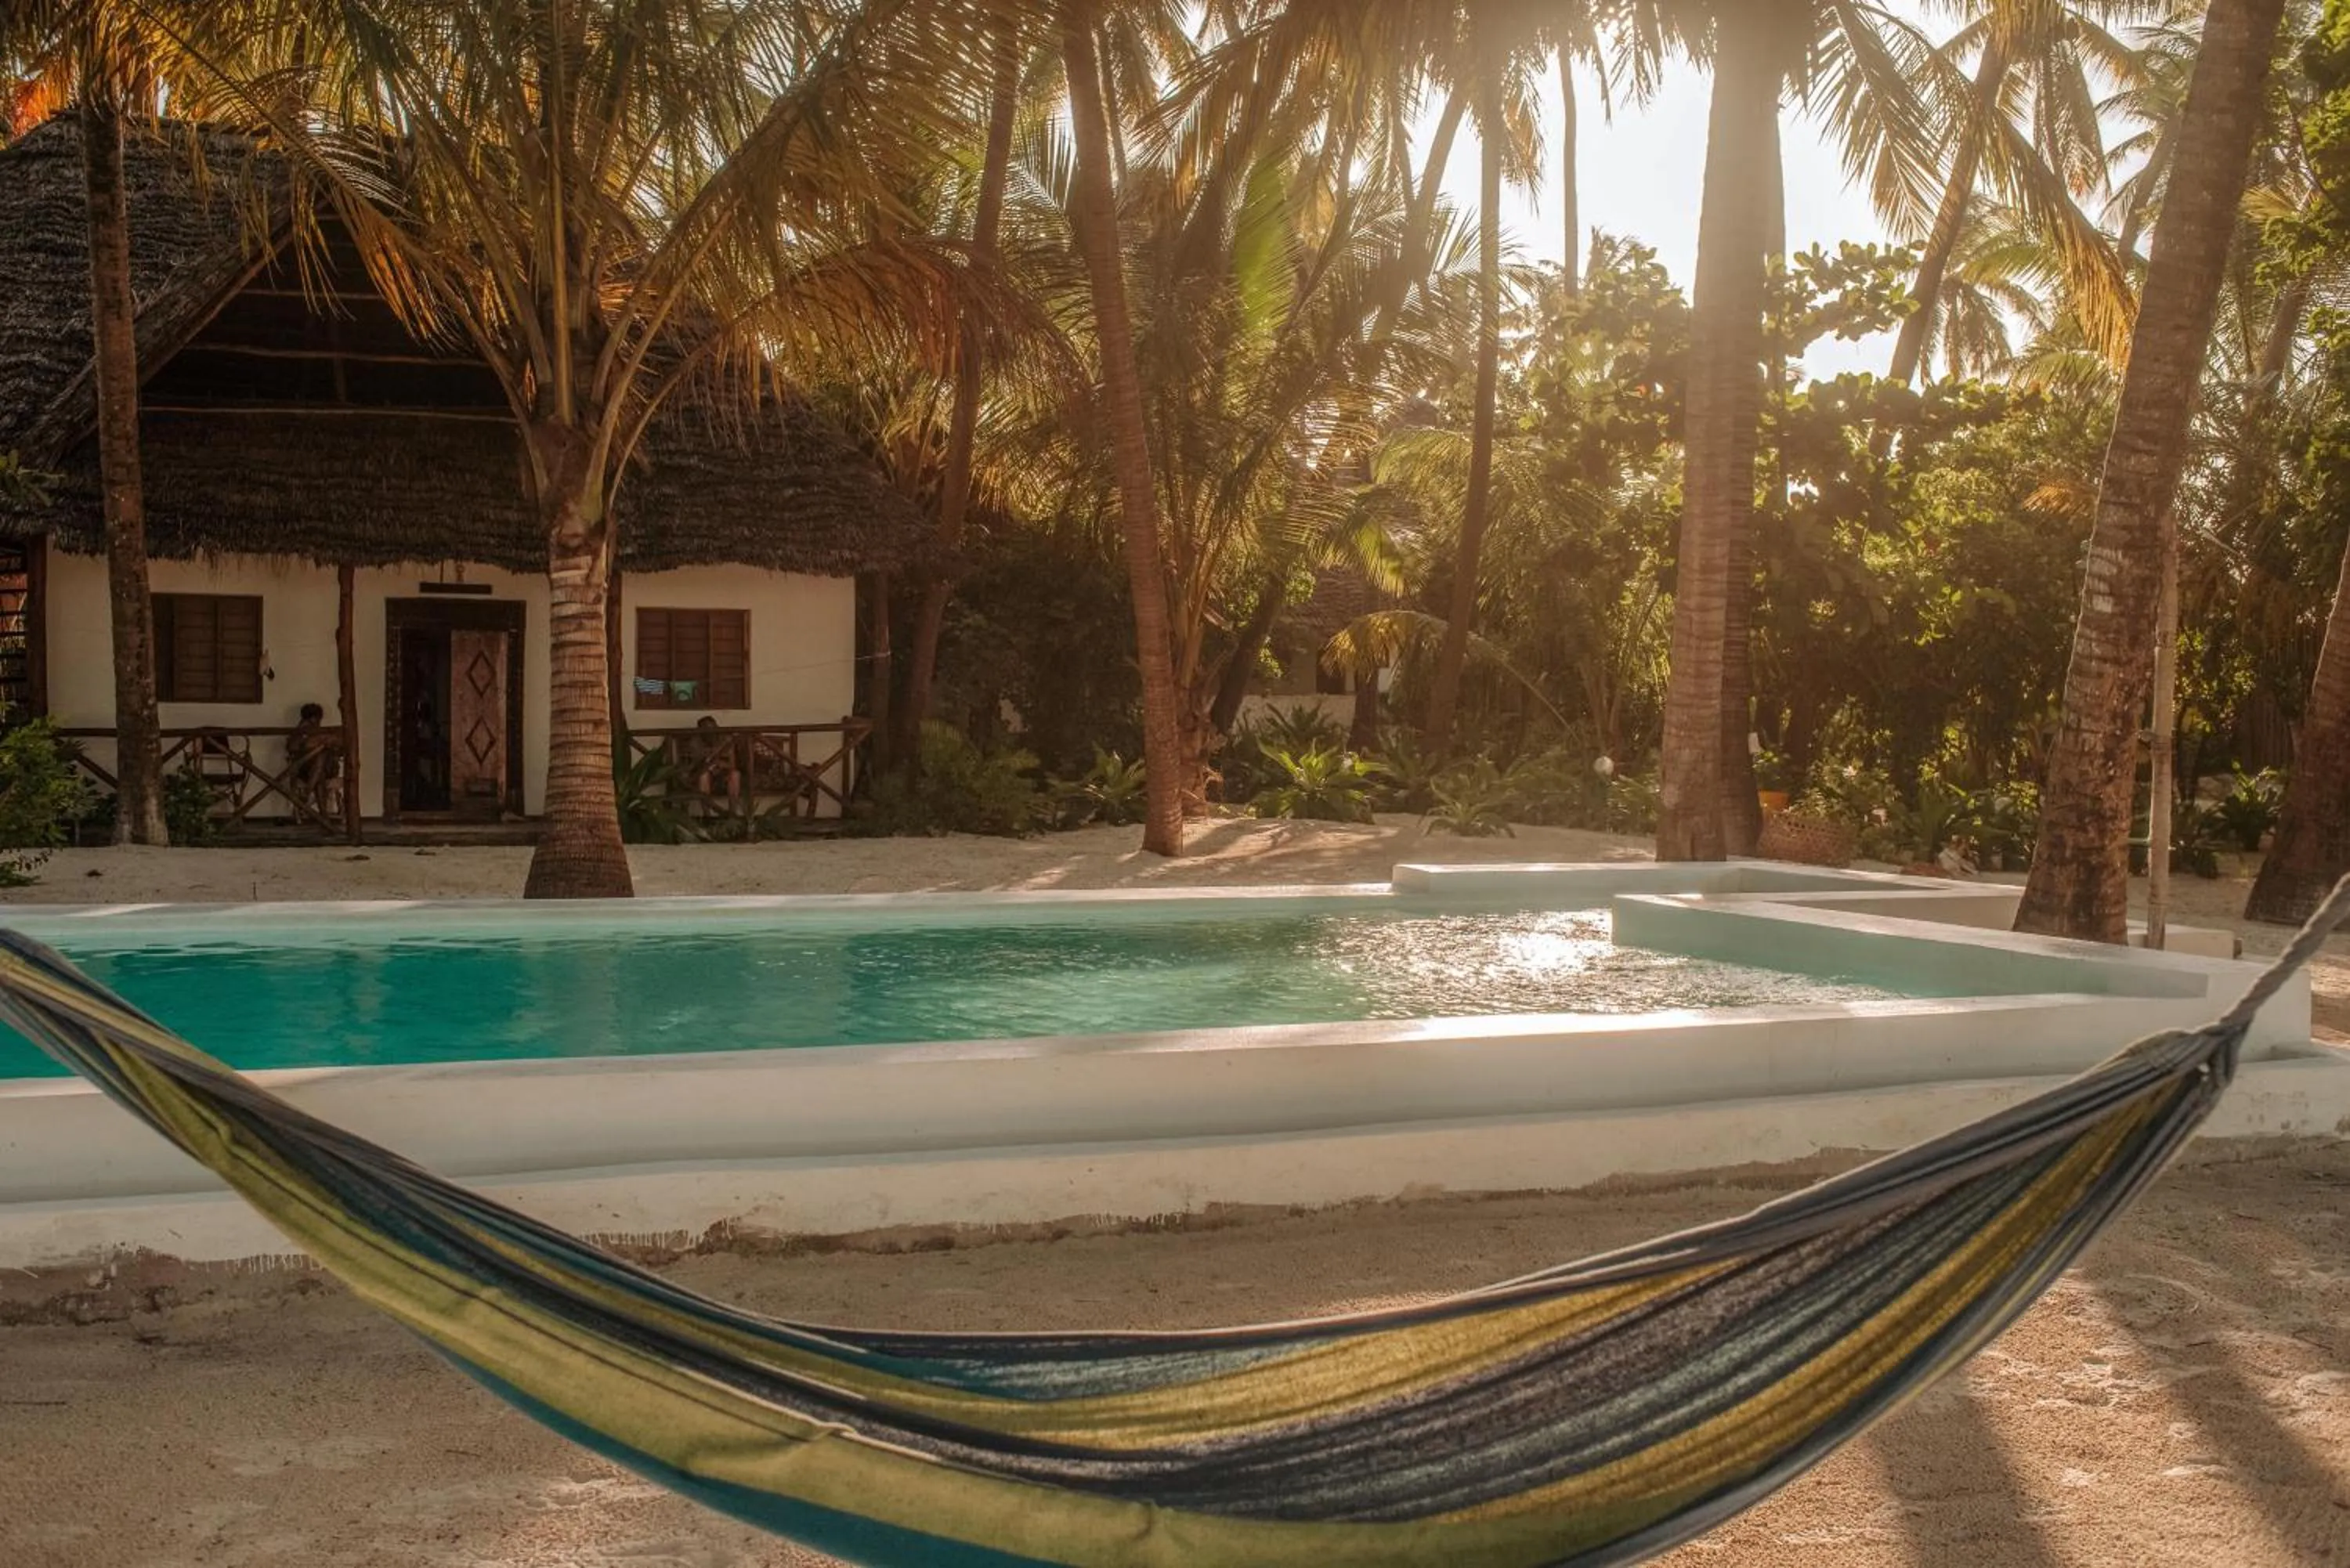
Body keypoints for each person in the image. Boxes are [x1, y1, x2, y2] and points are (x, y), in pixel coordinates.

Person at [287, 703, 345, 820]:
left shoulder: (325, 733)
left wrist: (330, 744)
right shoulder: (299, 734)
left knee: (321, 758)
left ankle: (307, 793)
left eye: (316, 720)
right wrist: (301, 732)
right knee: (319, 777)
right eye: (311, 720)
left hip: (328, 769)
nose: (315, 723)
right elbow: (291, 748)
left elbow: (342, 747)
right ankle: (323, 817)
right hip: (307, 772)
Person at [689, 715, 742, 805]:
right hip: (705, 771)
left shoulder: (726, 740)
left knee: (735, 775)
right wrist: (707, 764)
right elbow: (694, 765)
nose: (709, 732)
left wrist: (720, 763)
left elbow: (733, 765)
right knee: (703, 777)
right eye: (705, 729)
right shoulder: (695, 742)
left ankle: (732, 813)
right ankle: (707, 814)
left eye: (711, 728)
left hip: (723, 772)